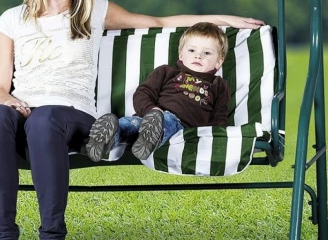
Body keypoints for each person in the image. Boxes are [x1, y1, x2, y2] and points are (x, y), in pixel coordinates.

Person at [0, 0, 263, 240]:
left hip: (70, 115)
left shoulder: (93, 10)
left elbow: (157, 23)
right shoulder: (12, 19)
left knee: (45, 119)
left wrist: (225, 21)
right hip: (23, 112)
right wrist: (7, 101)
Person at [86, 22, 230, 163]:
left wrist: (211, 140)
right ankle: (106, 139)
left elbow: (219, 117)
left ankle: (149, 138)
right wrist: (152, 110)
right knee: (129, 123)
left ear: (218, 62)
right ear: (181, 54)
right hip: (148, 118)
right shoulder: (167, 72)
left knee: (166, 121)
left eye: (207, 53)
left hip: (181, 131)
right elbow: (143, 93)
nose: (198, 56)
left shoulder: (219, 85)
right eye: (192, 50)